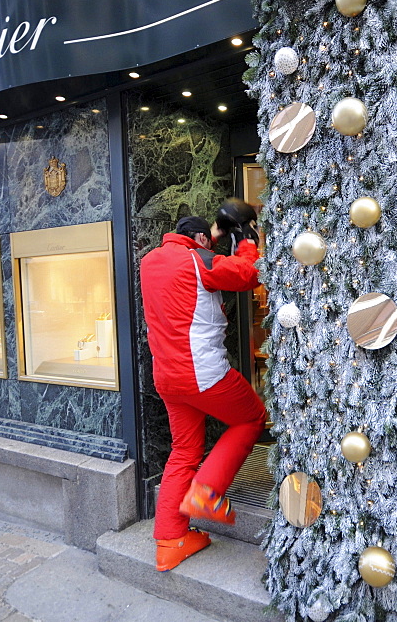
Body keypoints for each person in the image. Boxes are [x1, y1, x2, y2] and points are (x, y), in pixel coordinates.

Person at [139, 212, 266, 572]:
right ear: (198, 238)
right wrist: (246, 242)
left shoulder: (150, 261)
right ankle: (207, 493)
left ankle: (170, 541)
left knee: (184, 450)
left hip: (167, 377)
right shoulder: (198, 258)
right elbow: (247, 274)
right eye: (209, 239)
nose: (212, 243)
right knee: (251, 418)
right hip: (202, 373)